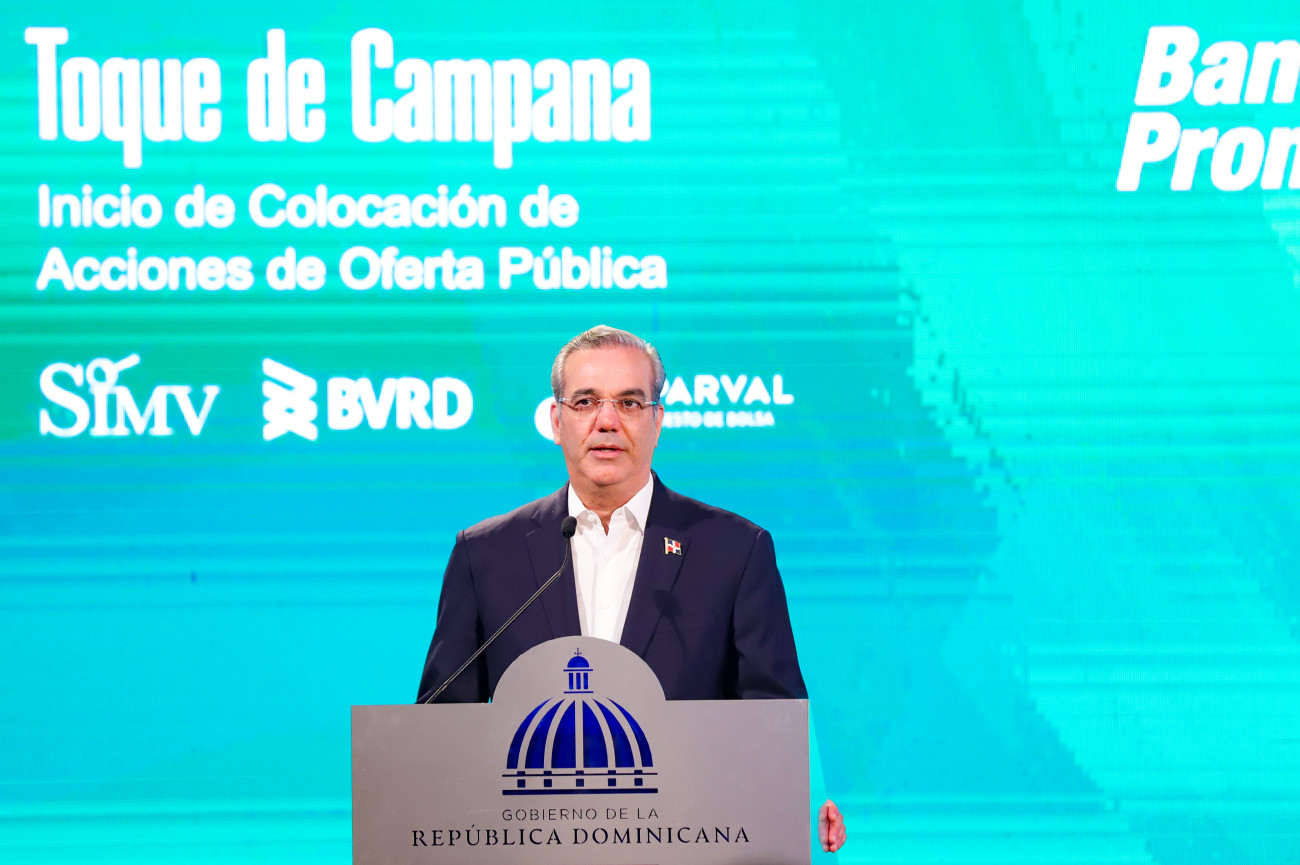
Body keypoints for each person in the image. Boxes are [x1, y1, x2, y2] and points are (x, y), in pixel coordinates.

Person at [416, 324, 846, 853]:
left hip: (691, 846)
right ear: (556, 421)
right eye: (585, 401)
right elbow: (440, 728)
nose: (607, 421)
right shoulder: (485, 554)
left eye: (629, 402)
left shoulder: (735, 551)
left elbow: (774, 714)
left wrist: (801, 800)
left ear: (657, 421)